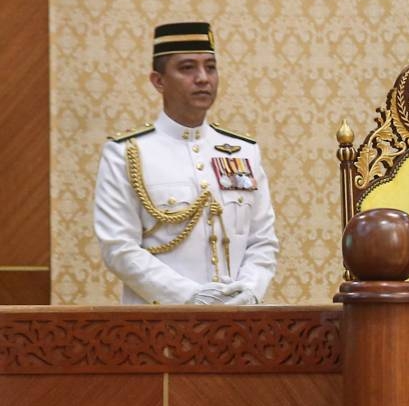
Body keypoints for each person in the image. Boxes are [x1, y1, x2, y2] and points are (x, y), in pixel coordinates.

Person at [93, 22, 278, 304]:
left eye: (211, 67)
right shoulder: (127, 153)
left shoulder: (243, 152)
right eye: (188, 68)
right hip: (159, 327)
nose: (203, 78)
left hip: (238, 323)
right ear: (158, 81)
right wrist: (188, 296)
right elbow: (118, 247)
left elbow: (262, 240)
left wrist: (250, 292)